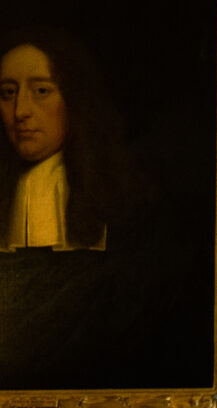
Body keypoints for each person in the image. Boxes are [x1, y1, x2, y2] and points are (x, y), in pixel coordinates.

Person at [0, 28, 131, 252]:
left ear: (73, 99)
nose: (20, 111)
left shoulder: (104, 187)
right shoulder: (12, 184)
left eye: (41, 90)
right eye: (8, 93)